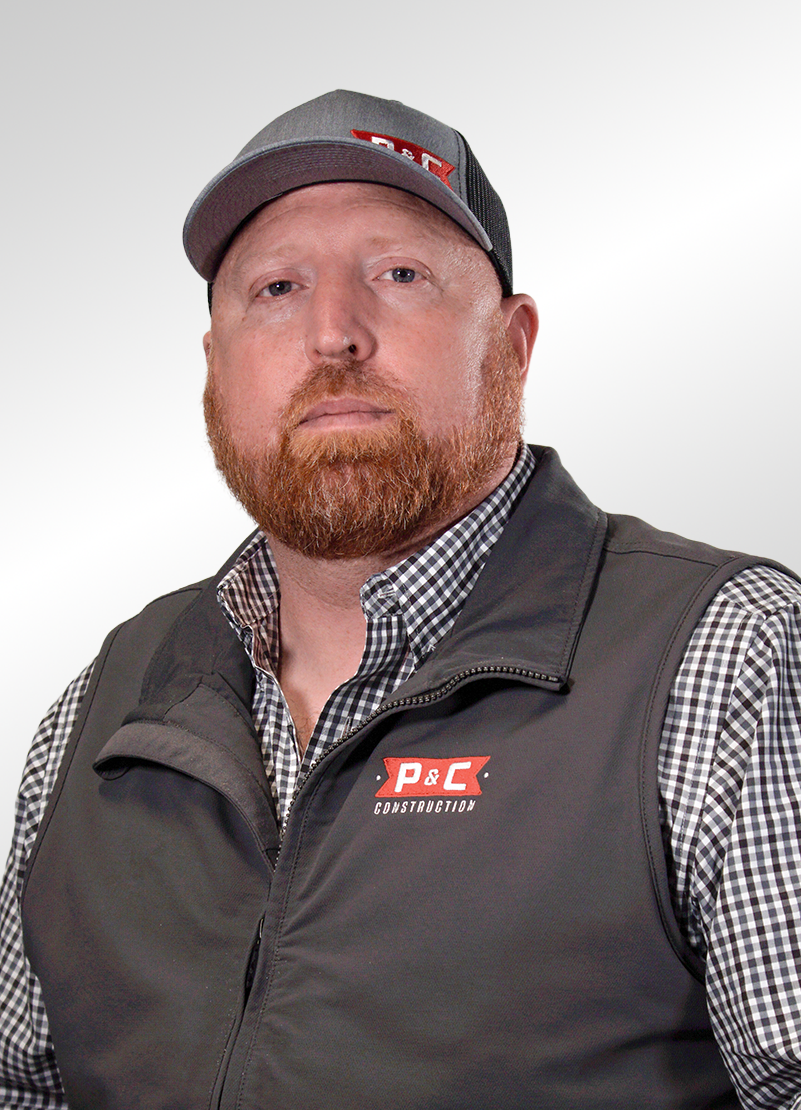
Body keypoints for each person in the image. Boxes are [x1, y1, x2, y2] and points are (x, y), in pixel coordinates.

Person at [1, 89, 800, 1110]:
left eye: (400, 275)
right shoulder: (100, 708)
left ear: (512, 344)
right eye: (278, 288)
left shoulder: (727, 657)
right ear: (214, 370)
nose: (334, 333)